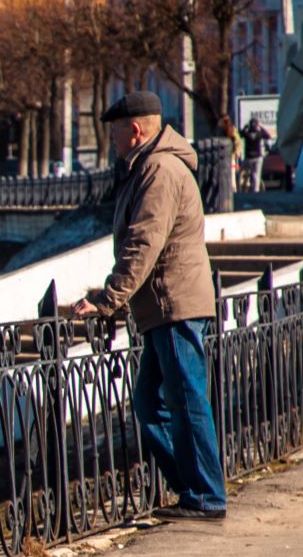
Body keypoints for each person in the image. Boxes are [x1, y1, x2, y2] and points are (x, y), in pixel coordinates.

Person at [68, 90, 225, 521]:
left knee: (185, 400)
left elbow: (143, 244)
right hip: (164, 305)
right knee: (149, 402)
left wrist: (108, 300)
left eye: (115, 132)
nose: (112, 140)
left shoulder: (159, 170)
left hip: (174, 303)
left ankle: (206, 495)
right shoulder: (150, 167)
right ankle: (191, 488)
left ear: (134, 130)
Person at [241, 116, 269, 192]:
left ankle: (243, 185)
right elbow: (268, 136)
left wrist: (245, 128)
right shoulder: (259, 134)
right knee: (256, 174)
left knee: (242, 172)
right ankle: (255, 190)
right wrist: (261, 127)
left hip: (248, 157)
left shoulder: (247, 134)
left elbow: (240, 134)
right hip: (257, 157)